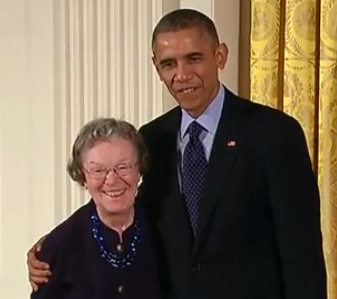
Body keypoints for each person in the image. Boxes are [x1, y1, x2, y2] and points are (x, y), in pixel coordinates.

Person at [27, 8, 327, 299]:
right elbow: (126, 207)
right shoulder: (152, 137)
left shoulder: (274, 133)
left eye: (193, 59)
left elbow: (301, 252)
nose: (181, 75)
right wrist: (52, 248)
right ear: (157, 67)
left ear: (220, 56)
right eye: (169, 64)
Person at [30, 118, 162, 299]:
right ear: (83, 177)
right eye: (98, 170)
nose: (112, 180)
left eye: (123, 167)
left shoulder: (163, 229)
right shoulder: (59, 244)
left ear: (139, 169)